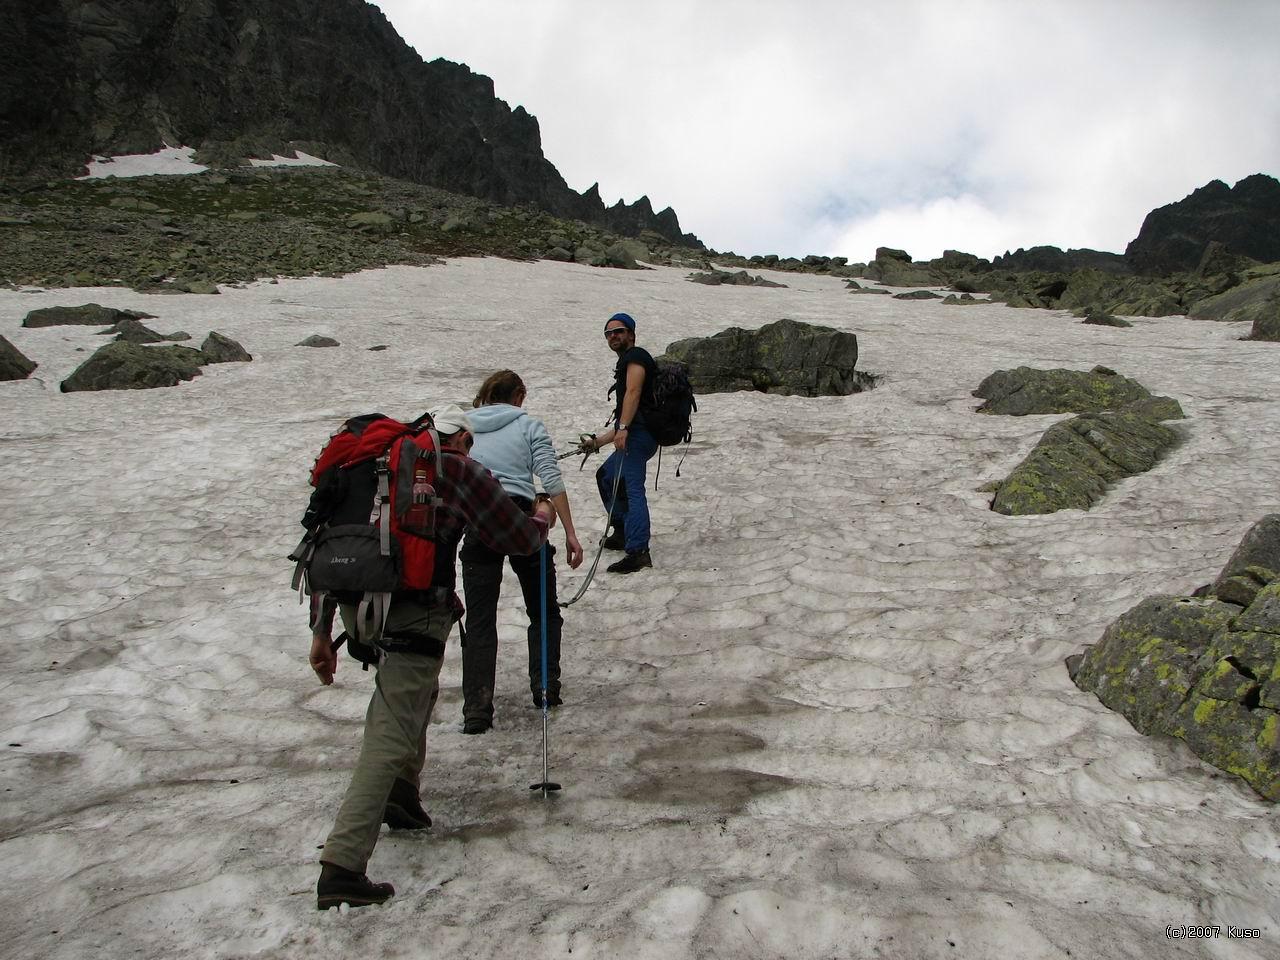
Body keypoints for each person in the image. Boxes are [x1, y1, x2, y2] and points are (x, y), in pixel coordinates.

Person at [306, 404, 555, 910]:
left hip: (357, 607)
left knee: (412, 692)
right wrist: (543, 517)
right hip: (415, 613)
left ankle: (402, 794)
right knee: (392, 723)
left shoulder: (372, 466)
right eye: (468, 440)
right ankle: (342, 866)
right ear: (460, 436)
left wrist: (321, 633)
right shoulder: (454, 469)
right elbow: (515, 536)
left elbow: (331, 545)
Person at [460, 370, 584, 734]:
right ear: (518, 396)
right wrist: (572, 534)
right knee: (543, 610)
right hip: (521, 516)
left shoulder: (465, 427)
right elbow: (551, 478)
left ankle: (477, 709)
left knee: (481, 620)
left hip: (478, 519)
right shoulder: (529, 426)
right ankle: (545, 688)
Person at [579, 312, 658, 574]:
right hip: (635, 434)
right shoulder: (626, 362)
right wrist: (599, 441)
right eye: (609, 333)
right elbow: (628, 412)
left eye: (619, 331)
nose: (613, 336)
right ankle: (622, 531)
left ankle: (638, 551)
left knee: (632, 488)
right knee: (607, 476)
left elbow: (633, 394)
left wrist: (623, 429)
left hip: (639, 436)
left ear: (631, 334)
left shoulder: (635, 357)